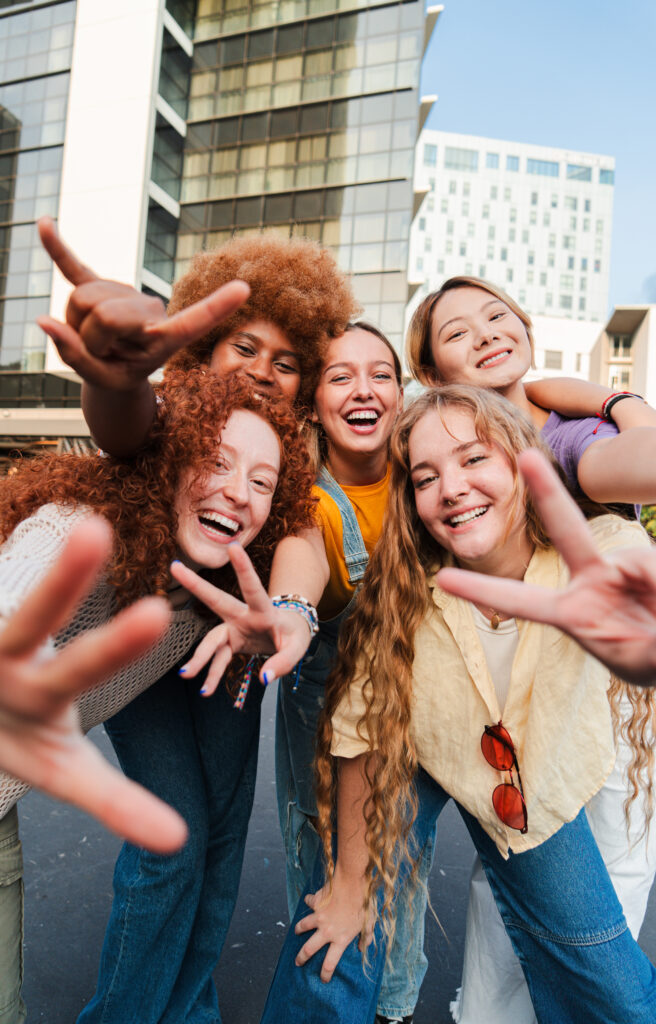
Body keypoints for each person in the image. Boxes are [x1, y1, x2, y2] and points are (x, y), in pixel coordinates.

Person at [259, 385, 656, 1024]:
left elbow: (644, 596)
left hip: (525, 785)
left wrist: (647, 635)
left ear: (521, 463)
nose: (451, 488)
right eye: (425, 477)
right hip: (414, 752)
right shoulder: (405, 593)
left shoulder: (594, 549)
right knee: (336, 925)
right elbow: (362, 731)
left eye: (473, 460)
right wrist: (350, 882)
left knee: (604, 969)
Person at [36, 219, 354, 1024]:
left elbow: (303, 533)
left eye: (286, 363)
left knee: (220, 840)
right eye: (244, 346)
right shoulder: (175, 414)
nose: (261, 372)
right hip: (143, 649)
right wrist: (114, 375)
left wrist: (284, 611)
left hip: (232, 655)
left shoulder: (291, 459)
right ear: (204, 345)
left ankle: (188, 1009)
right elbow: (124, 419)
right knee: (170, 838)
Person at [0, 368, 315, 1024]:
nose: (237, 491)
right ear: (168, 460)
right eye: (215, 461)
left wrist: (290, 616)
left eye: (261, 482)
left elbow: (310, 542)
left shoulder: (205, 597)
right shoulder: (73, 532)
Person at [405, 277, 656, 1023]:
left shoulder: (566, 437)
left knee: (603, 855)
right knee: (517, 849)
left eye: (497, 316)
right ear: (432, 375)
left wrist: (607, 401)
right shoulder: (437, 448)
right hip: (496, 660)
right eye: (457, 333)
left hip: (610, 656)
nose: (486, 333)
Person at [176, 322, 430, 1024]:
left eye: (380, 373)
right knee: (329, 878)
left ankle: (395, 1000)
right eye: (339, 376)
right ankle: (381, 1008)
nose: (362, 388)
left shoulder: (426, 470)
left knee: (401, 868)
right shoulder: (307, 496)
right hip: (331, 718)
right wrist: (290, 612)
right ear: (314, 402)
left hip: (430, 701)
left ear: (400, 395)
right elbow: (303, 547)